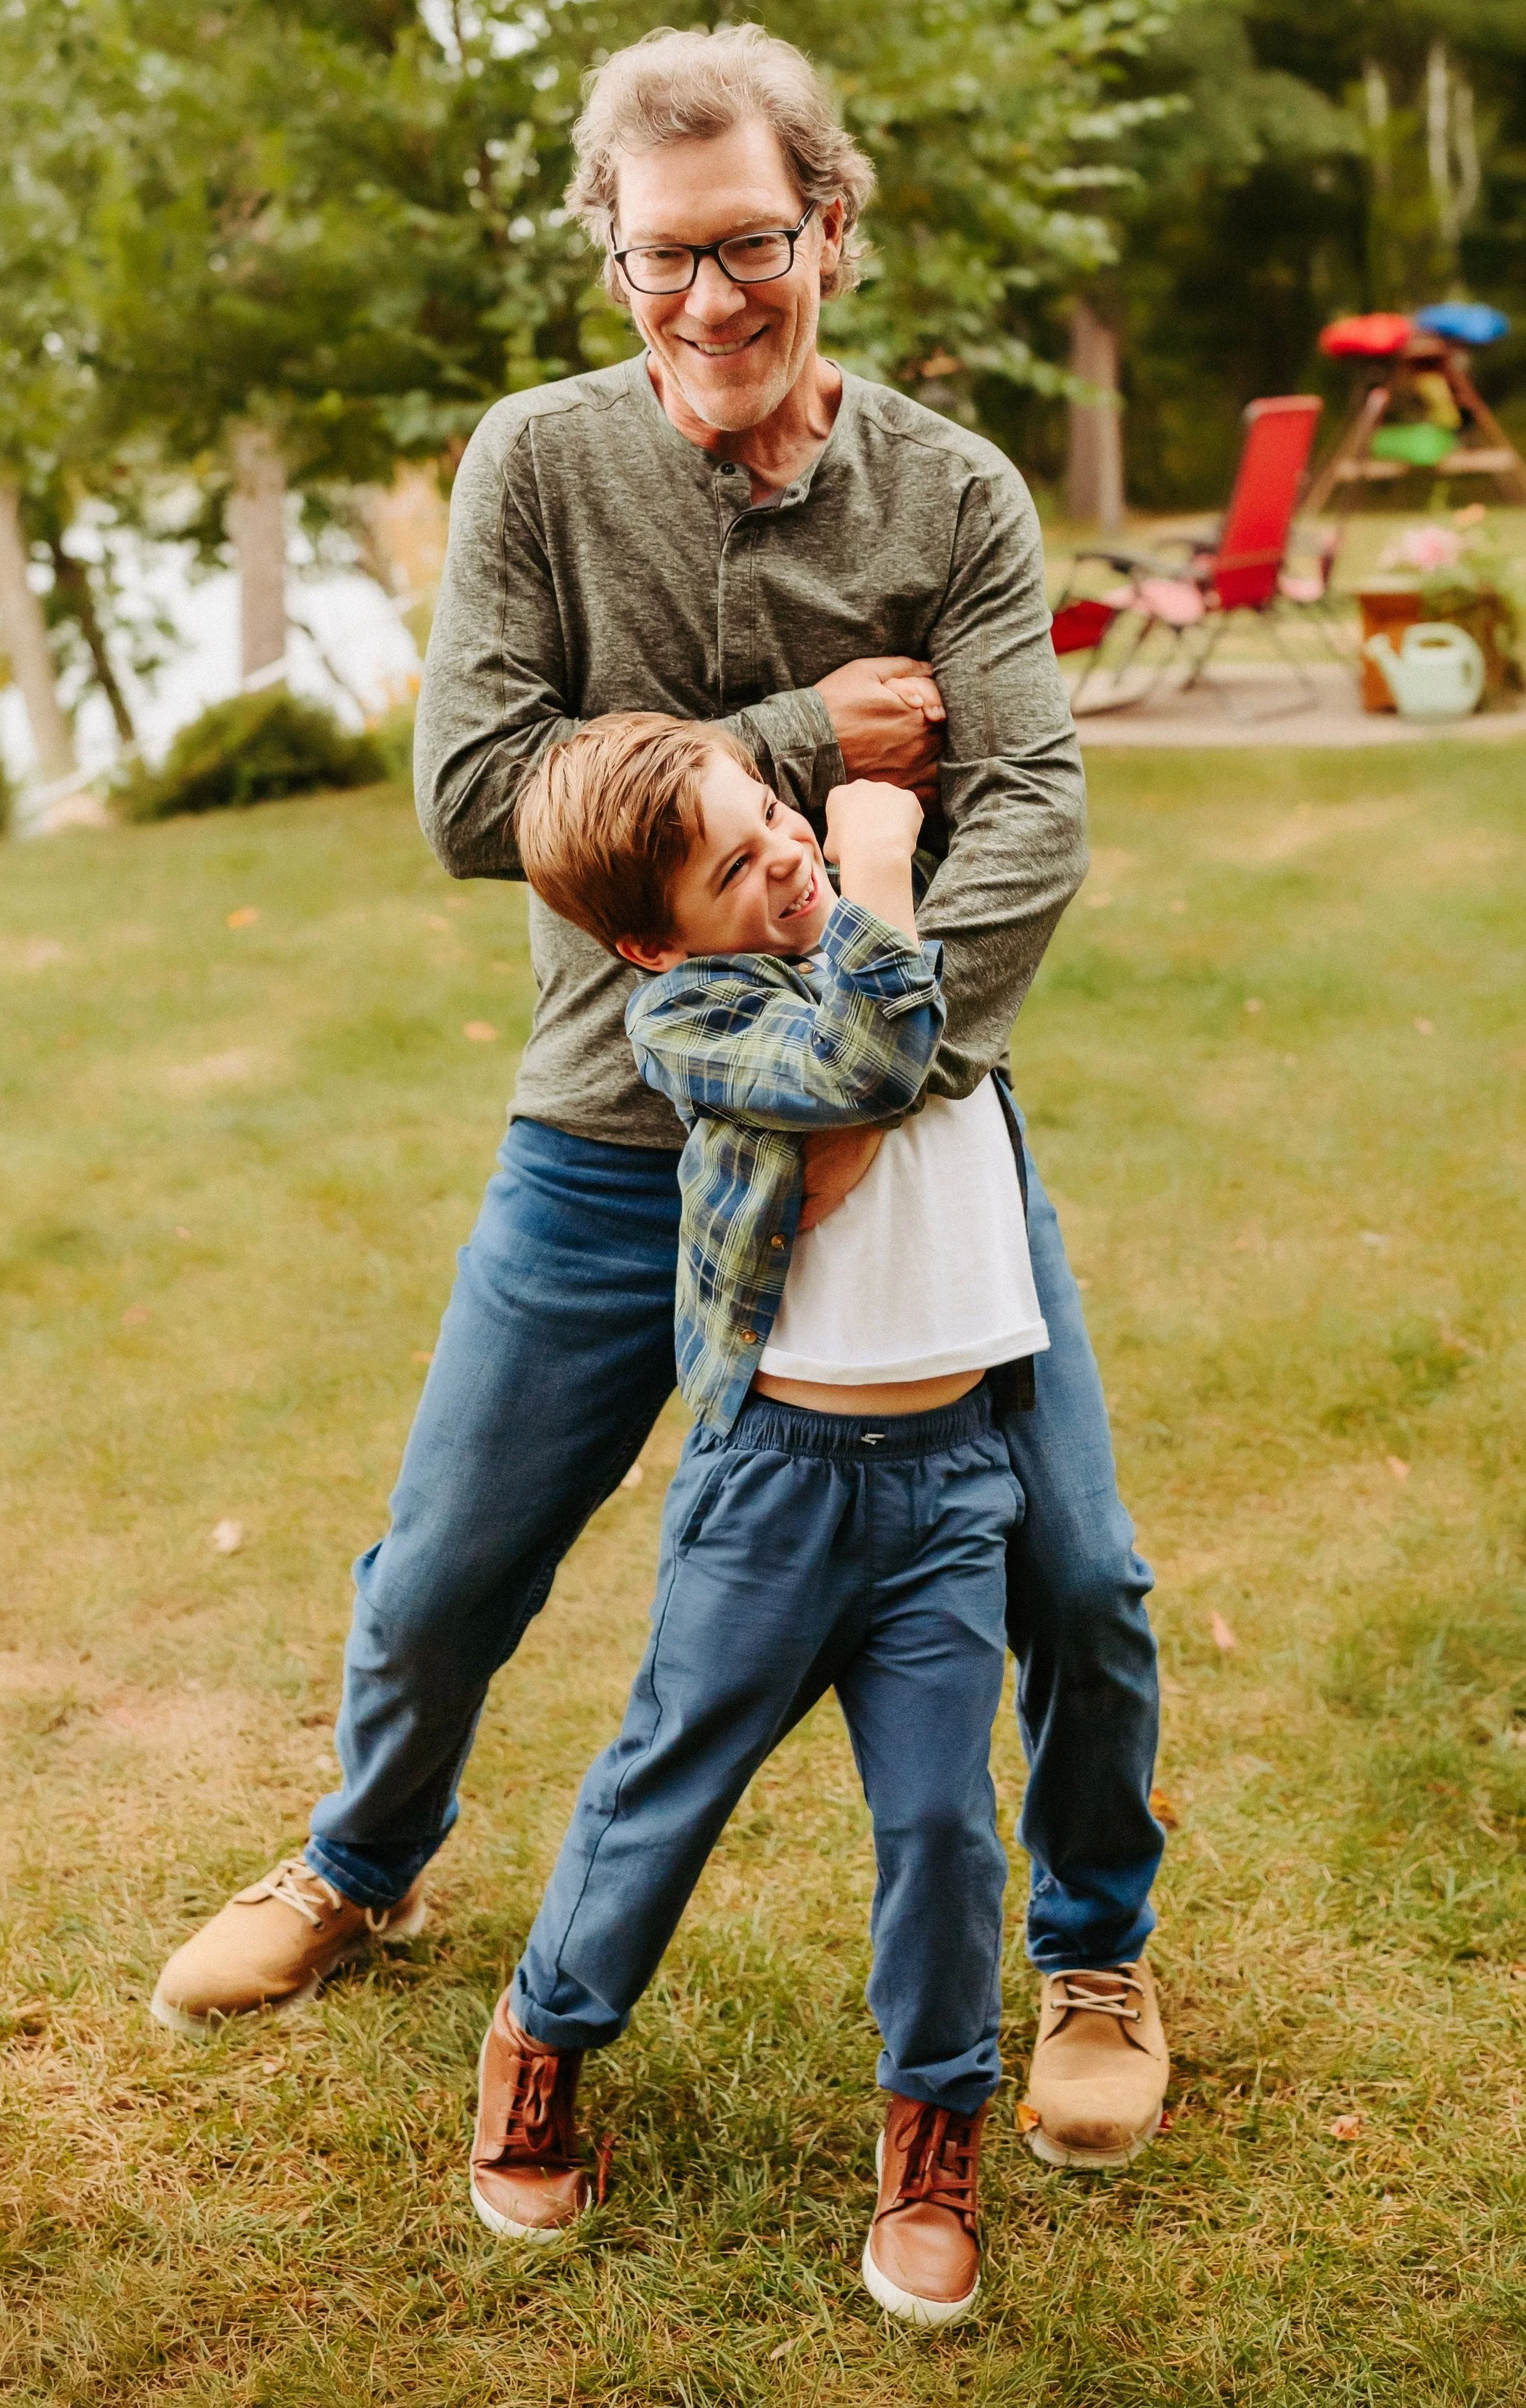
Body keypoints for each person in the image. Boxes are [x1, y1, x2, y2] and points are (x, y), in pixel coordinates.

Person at [152, 21, 1168, 2180]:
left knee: (1074, 1572)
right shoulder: (532, 463)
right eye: (656, 260)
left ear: (829, 226)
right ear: (609, 260)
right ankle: (365, 1853)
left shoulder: (953, 493)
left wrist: (883, 1075)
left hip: (914, 1151)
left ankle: (1089, 1945)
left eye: (747, 246)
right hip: (607, 1139)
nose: (707, 302)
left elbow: (1033, 821)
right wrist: (798, 722)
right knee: (444, 1566)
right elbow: (465, 795)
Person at [470, 712, 1044, 2326]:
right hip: (780, 1486)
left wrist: (867, 878)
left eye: (776, 814)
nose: (784, 850)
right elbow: (866, 1054)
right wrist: (871, 865)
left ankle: (932, 2130)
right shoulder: (694, 1009)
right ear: (654, 941)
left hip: (949, 1476)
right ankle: (541, 2041)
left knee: (941, 1824)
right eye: (736, 865)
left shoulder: (891, 930)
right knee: (671, 1780)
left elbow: (911, 1032)